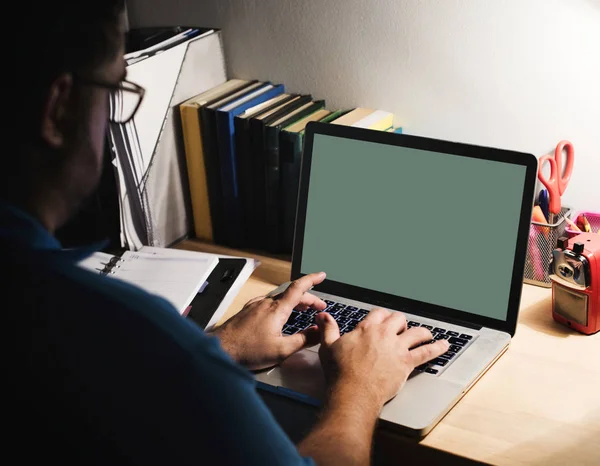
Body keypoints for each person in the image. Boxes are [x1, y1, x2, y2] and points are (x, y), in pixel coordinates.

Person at [7, 2, 448, 464]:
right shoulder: (122, 331)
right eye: (115, 90)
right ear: (58, 110)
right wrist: (361, 387)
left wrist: (224, 345)